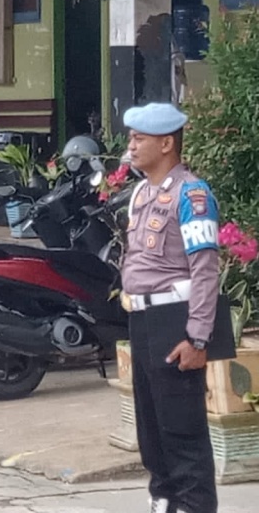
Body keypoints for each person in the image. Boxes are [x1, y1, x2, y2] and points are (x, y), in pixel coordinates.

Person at [120, 103, 219, 513]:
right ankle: (164, 501)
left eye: (139, 138)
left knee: (182, 430)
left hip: (175, 321)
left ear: (166, 144)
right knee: (151, 428)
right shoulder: (141, 192)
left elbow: (205, 270)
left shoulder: (192, 195)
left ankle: (193, 506)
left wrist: (198, 338)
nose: (131, 146)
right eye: (131, 138)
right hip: (142, 318)